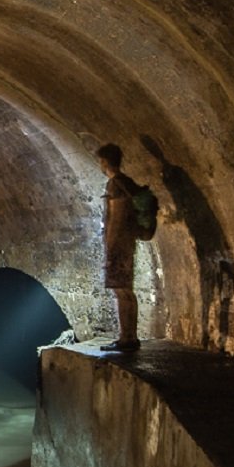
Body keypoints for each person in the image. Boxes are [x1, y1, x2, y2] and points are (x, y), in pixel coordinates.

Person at [96, 143, 141, 352]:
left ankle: (126, 338)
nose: (100, 164)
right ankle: (131, 336)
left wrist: (109, 249)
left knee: (121, 292)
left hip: (118, 246)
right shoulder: (128, 183)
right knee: (127, 291)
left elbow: (116, 218)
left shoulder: (115, 184)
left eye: (101, 160)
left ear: (106, 161)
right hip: (128, 243)